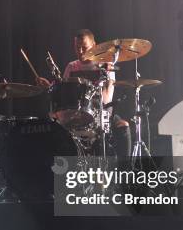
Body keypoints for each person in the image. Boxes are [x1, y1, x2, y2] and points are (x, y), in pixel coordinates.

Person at [37, 29, 131, 158]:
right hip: (75, 113)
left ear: (93, 45)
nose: (80, 51)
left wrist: (96, 102)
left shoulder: (105, 65)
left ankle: (125, 169)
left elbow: (108, 96)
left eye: (84, 47)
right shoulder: (72, 66)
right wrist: (49, 86)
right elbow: (64, 92)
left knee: (123, 125)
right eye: (77, 47)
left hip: (101, 111)